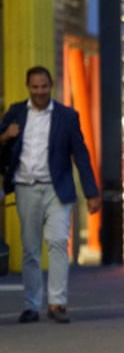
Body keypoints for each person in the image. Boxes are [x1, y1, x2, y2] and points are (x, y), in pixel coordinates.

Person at [0, 65, 100, 324]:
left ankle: (57, 303)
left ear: (51, 86)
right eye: (35, 87)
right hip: (25, 187)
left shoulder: (67, 117)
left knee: (57, 242)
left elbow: (81, 154)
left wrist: (91, 192)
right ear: (28, 87)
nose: (40, 91)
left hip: (57, 188)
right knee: (30, 249)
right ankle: (31, 305)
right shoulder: (16, 113)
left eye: (44, 86)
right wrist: (5, 136)